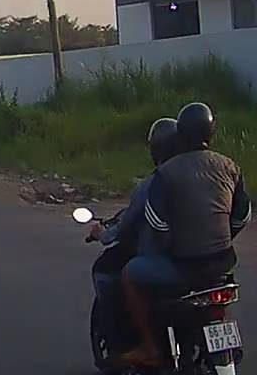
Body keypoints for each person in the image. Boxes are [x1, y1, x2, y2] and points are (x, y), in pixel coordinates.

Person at [121, 102, 252, 367]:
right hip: (222, 265)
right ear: (211, 131)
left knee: (129, 274)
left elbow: (157, 222)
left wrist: (171, 245)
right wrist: (223, 238)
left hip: (184, 266)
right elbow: (243, 214)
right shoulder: (229, 166)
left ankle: (149, 348)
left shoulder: (166, 172)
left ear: (180, 132)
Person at [88, 117, 178, 358]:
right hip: (216, 258)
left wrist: (103, 234)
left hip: (173, 259)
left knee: (127, 273)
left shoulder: (157, 182)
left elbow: (133, 224)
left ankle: (148, 346)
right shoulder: (214, 172)